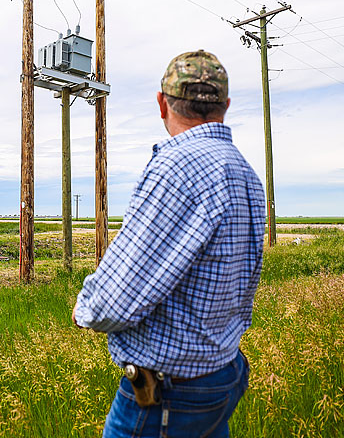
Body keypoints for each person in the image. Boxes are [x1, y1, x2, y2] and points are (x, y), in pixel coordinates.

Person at [73, 50, 265, 437]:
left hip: (170, 393)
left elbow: (118, 297)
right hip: (220, 374)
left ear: (162, 103)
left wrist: (86, 309)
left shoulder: (176, 167)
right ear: (225, 106)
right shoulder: (245, 172)